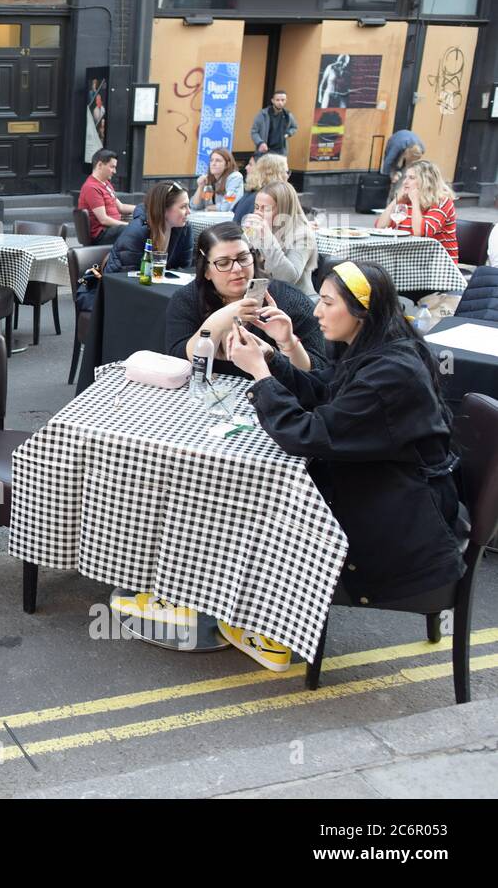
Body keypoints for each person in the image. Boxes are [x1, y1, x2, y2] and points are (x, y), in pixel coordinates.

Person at [223, 261, 464, 669]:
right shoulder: (383, 350)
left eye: (328, 303)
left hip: (401, 527)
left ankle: (266, 621)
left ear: (362, 313)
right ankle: (254, 605)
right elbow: (329, 394)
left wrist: (261, 374)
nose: (316, 312)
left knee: (252, 505)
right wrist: (275, 355)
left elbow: (306, 434)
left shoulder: (390, 373)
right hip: (402, 495)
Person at [166, 221, 326, 383]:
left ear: (254, 257)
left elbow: (318, 372)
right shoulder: (186, 299)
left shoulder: (290, 300)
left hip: (275, 399)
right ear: (206, 271)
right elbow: (178, 360)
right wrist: (218, 321)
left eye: (243, 258)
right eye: (223, 263)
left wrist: (285, 343)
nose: (236, 269)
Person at [101, 181, 192, 280]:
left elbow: (184, 270)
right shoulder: (136, 233)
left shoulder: (184, 229)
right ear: (163, 208)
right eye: (183, 206)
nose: (189, 211)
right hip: (116, 289)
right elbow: (126, 281)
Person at [241, 181, 318, 295]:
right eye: (256, 207)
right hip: (263, 294)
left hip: (296, 300)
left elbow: (288, 278)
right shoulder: (258, 228)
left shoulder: (303, 235)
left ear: (284, 210)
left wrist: (267, 239)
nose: (258, 213)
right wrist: (246, 237)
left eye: (266, 209)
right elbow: (242, 258)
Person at [375, 159, 459, 261]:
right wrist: (396, 201)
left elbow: (421, 233)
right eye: (405, 177)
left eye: (412, 178)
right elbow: (380, 226)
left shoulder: (441, 202)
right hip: (406, 256)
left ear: (426, 181)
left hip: (436, 261)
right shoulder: (405, 201)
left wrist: (415, 201)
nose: (405, 182)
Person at [77, 149, 134, 244]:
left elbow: (121, 207)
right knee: (138, 231)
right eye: (112, 167)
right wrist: (128, 226)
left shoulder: (105, 183)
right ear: (100, 165)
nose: (114, 171)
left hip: (112, 230)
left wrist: (144, 208)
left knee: (143, 225)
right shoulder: (91, 187)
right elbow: (104, 220)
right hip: (102, 235)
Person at [232, 152, 289, 224]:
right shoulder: (264, 198)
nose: (287, 176)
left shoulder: (251, 193)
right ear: (276, 173)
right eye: (286, 172)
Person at [249, 91, 298, 157]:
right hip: (265, 151)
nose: (280, 102)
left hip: (281, 152)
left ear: (286, 101)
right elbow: (254, 132)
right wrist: (260, 143)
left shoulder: (288, 114)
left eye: (283, 100)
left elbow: (294, 127)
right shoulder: (263, 114)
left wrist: (288, 134)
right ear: (272, 101)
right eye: (277, 100)